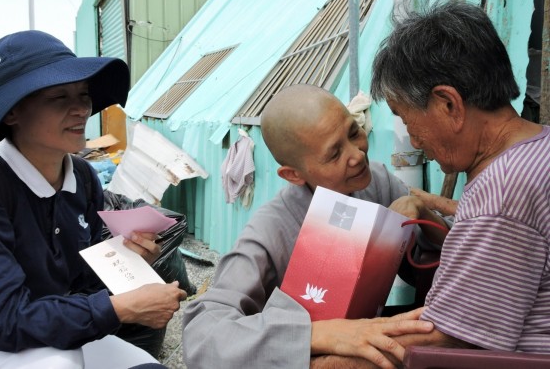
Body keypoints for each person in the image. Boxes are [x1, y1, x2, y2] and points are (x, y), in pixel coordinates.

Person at [0, 30, 187, 368]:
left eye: (84, 94)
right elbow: (1, 323)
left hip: (55, 321)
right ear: (12, 113)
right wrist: (121, 308)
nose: (81, 110)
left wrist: (126, 260)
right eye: (59, 97)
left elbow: (82, 284)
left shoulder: (83, 177)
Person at [182, 84, 447, 369]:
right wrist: (317, 334)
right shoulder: (271, 229)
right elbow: (201, 337)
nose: (357, 155)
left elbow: (435, 264)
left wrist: (424, 214)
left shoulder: (378, 183)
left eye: (353, 132)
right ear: (293, 175)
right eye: (334, 154)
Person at [370, 0, 550, 353]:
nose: (415, 140)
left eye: (407, 120)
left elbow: (439, 342)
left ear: (448, 104)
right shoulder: (538, 147)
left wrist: (316, 348)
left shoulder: (502, 192)